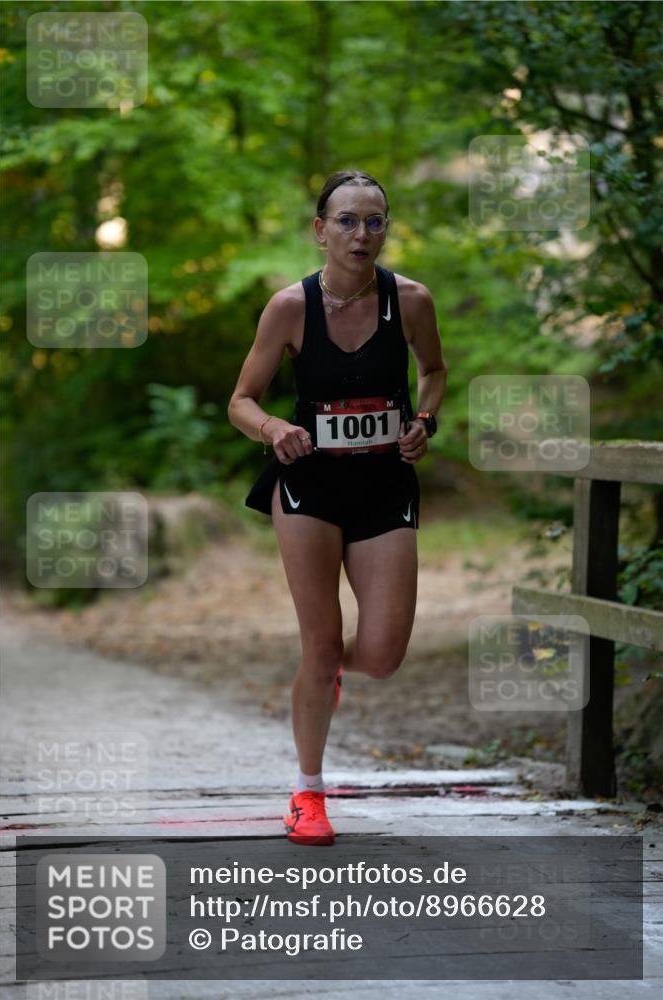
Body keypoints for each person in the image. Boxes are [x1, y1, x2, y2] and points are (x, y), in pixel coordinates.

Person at [228, 169, 447, 846]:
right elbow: (241, 400)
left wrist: (424, 420)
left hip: (383, 487)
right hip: (309, 488)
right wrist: (272, 429)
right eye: (346, 220)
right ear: (320, 230)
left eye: (373, 221)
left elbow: (433, 373)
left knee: (380, 656)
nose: (361, 234)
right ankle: (308, 793)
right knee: (320, 646)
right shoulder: (288, 308)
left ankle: (322, 679)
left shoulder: (409, 301)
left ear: (386, 229)